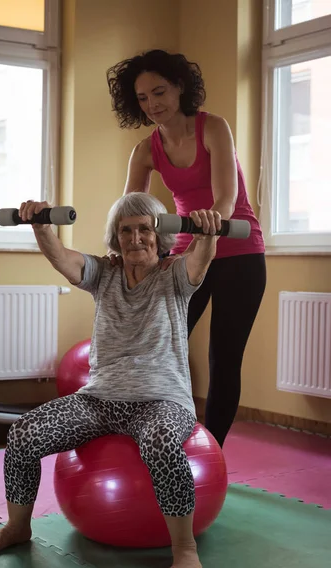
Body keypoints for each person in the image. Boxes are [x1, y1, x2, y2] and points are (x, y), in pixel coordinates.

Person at [0, 192, 219, 568]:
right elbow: (65, 261)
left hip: (161, 401)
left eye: (145, 229)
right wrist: (41, 226)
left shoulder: (174, 275)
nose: (136, 238)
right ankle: (17, 527)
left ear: (160, 235)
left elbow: (199, 262)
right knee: (23, 432)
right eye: (126, 230)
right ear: (115, 237)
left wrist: (207, 234)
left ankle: (183, 547)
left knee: (160, 441)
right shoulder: (104, 274)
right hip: (99, 400)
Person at [106, 49, 267, 448]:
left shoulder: (213, 128)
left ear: (180, 87)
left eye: (159, 92)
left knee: (223, 359)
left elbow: (226, 199)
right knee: (157, 347)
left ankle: (213, 452)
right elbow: (131, 210)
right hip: (185, 256)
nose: (152, 104)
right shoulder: (145, 150)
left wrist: (211, 223)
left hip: (239, 251)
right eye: (142, 98)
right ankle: (151, 436)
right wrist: (120, 246)